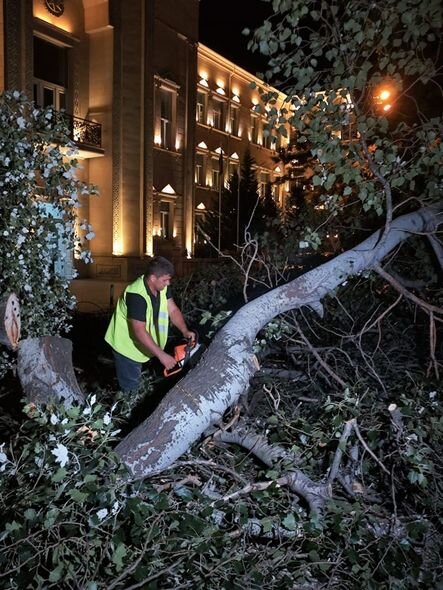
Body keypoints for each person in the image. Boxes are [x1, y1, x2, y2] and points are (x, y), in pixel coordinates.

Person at [105, 256, 194, 391]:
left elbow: (173, 310)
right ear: (153, 278)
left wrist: (185, 331)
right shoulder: (136, 295)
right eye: (165, 280)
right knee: (131, 391)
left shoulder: (161, 288)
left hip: (147, 347)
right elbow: (139, 331)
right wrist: (162, 356)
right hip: (127, 348)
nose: (168, 283)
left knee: (148, 386)